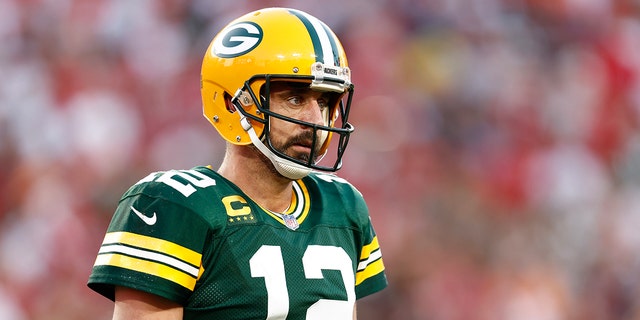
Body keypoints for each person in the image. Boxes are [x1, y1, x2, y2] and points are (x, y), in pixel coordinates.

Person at [87, 7, 388, 319]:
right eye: (295, 99)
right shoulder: (174, 206)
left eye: (324, 101)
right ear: (233, 103)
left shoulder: (342, 207)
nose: (314, 120)